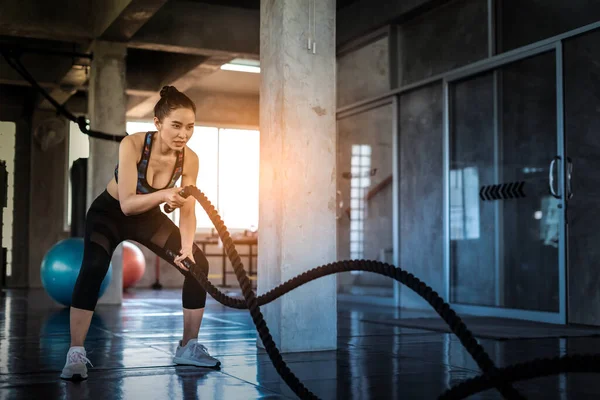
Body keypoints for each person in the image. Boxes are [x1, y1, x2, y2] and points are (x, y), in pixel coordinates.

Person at [60, 86, 220, 381]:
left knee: (197, 264)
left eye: (190, 127)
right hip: (110, 214)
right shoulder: (133, 144)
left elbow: (188, 209)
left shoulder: (190, 159)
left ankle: (188, 347)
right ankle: (75, 353)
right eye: (175, 125)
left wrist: (186, 245)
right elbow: (128, 204)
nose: (183, 134)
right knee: (94, 266)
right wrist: (164, 195)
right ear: (158, 124)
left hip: (147, 218)